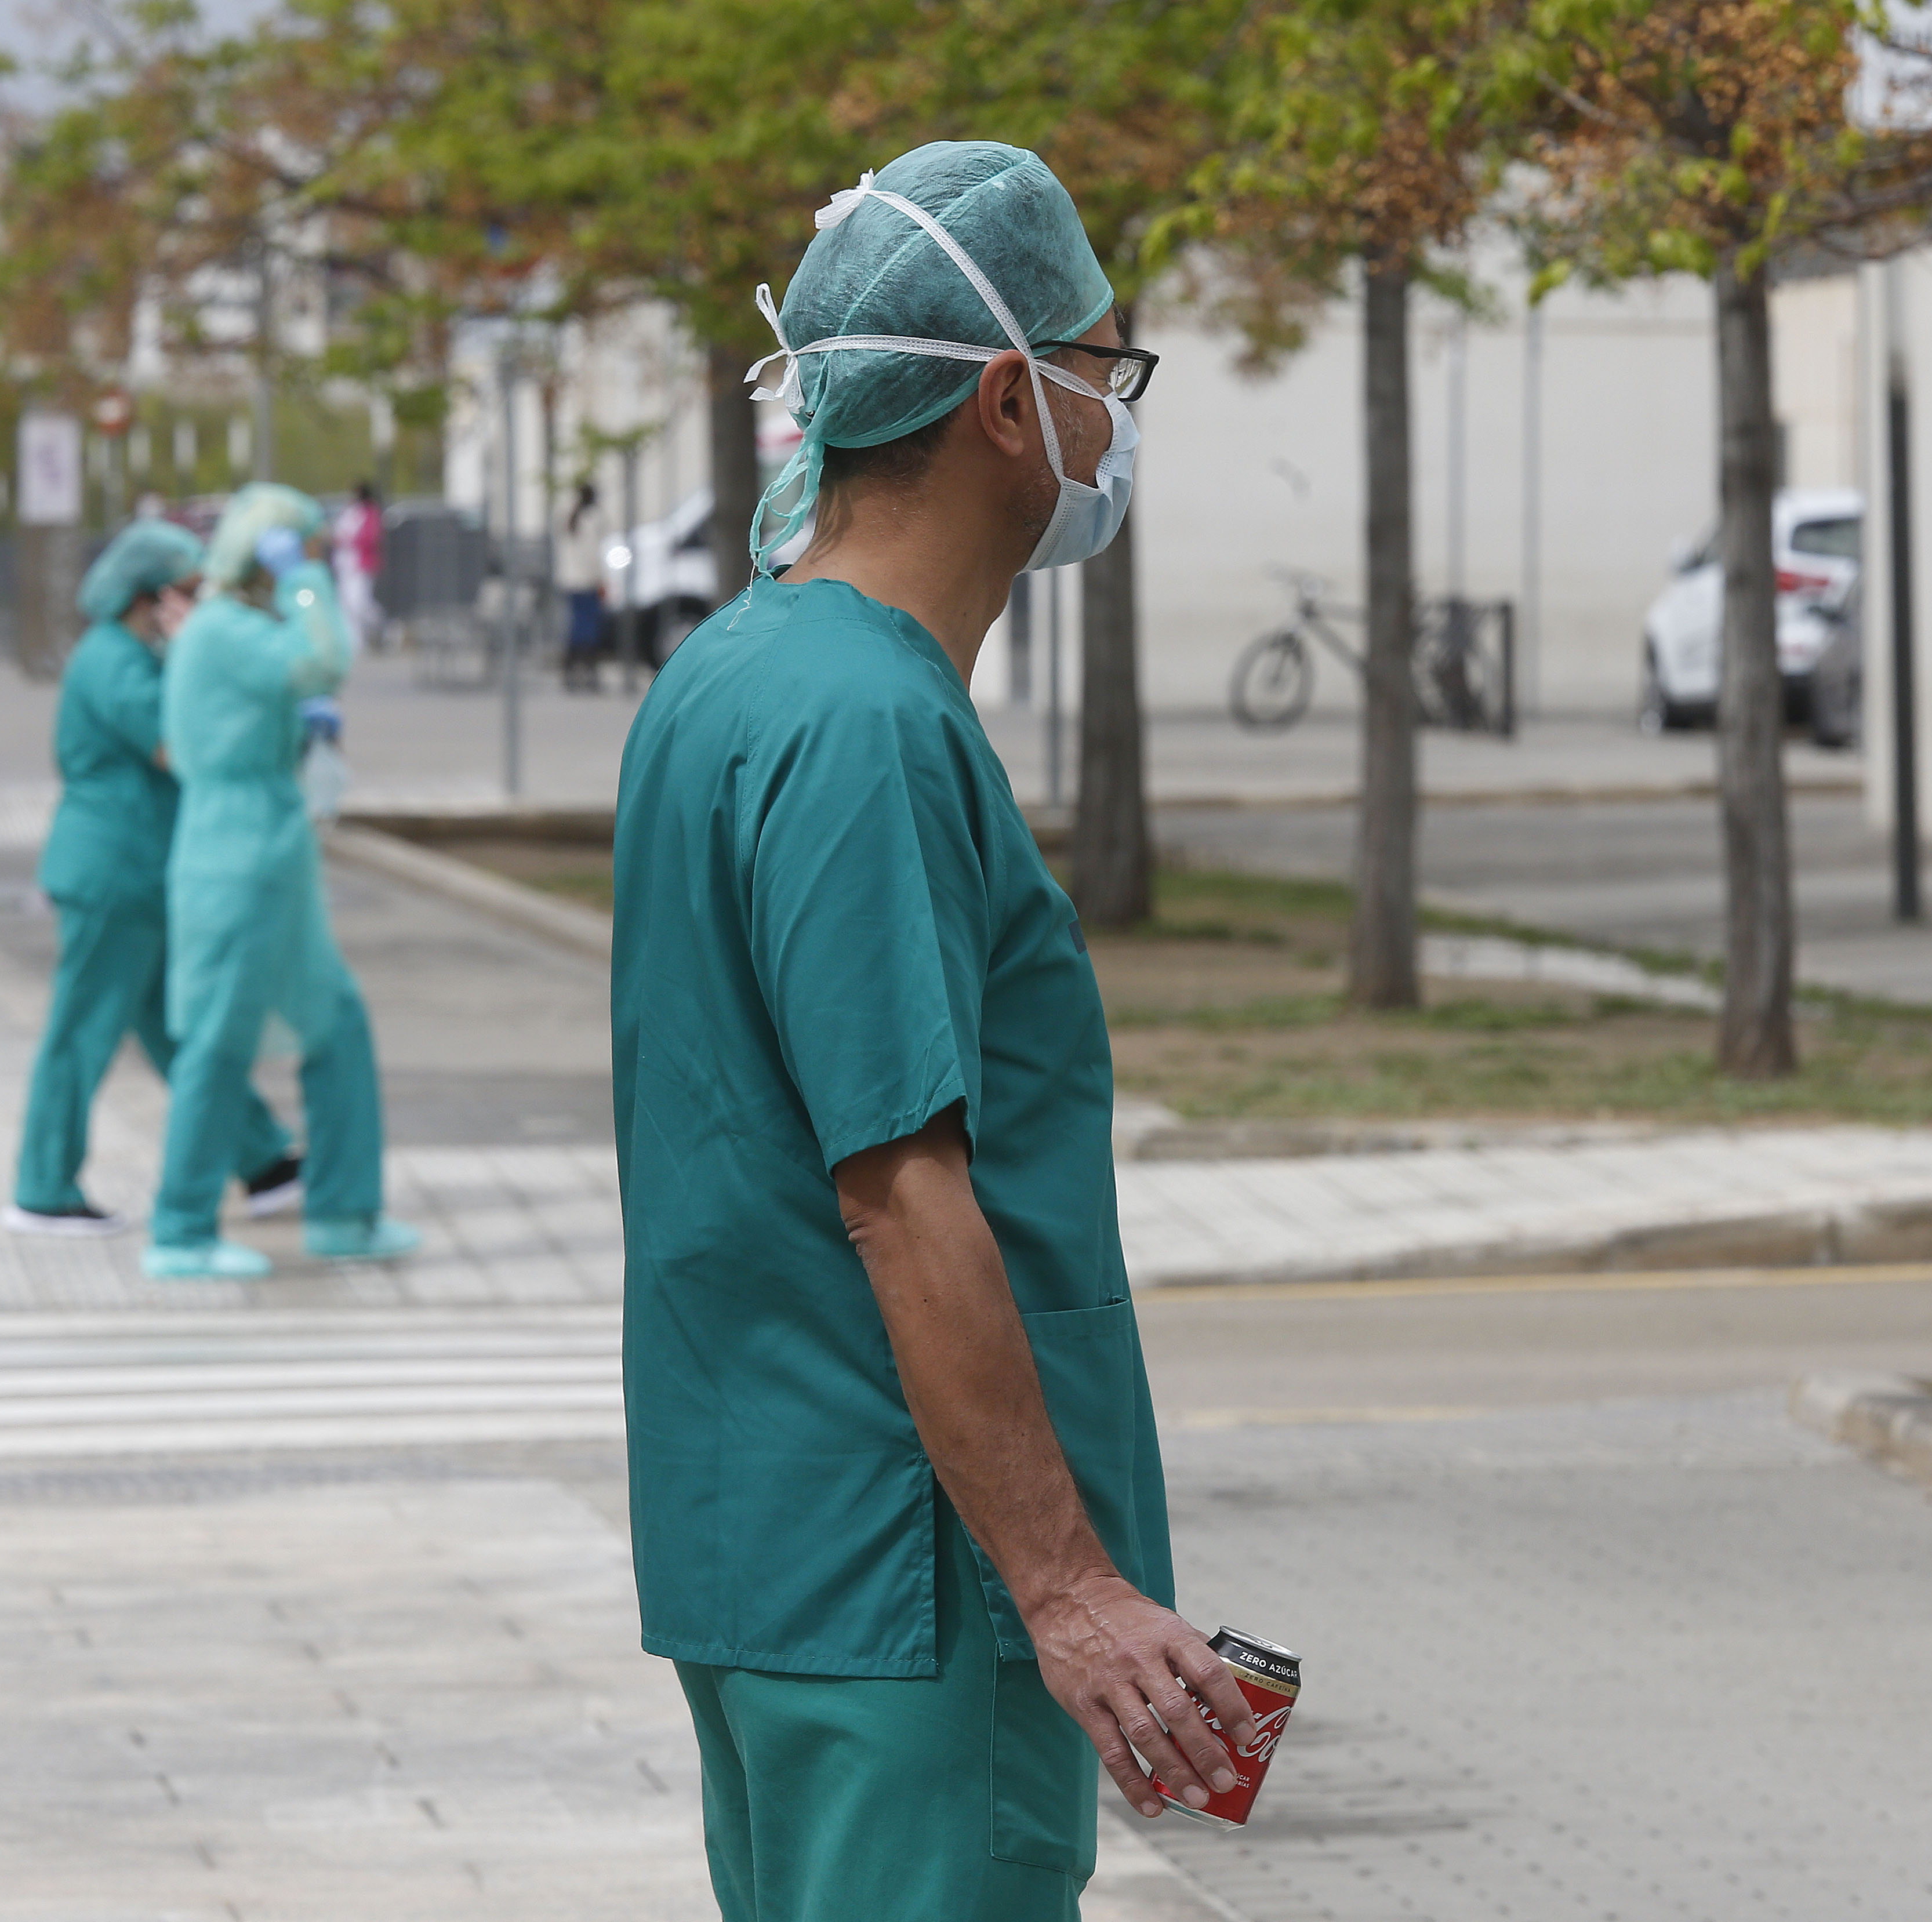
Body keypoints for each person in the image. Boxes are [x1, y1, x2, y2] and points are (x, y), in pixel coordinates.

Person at [611, 141, 1217, 1922]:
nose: (1118, 411)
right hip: (910, 1582)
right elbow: (901, 1187)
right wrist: (1065, 1588)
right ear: (1009, 409)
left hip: (774, 1541)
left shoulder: (731, 674)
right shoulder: (865, 723)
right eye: (1104, 365)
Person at [147, 484, 420, 1280]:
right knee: (220, 1038)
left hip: (264, 842)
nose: (309, 564)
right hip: (241, 853)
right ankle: (182, 1227)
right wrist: (308, 581)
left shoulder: (228, 629)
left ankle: (342, 1210)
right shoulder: (229, 629)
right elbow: (323, 657)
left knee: (335, 1023)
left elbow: (288, 682)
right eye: (300, 547)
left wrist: (300, 728)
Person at [5, 518, 302, 1237]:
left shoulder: (136, 656)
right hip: (114, 875)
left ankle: (264, 1161)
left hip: (139, 875)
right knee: (82, 1033)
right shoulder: (114, 662)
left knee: (183, 1030)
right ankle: (42, 1188)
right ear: (152, 594)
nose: (199, 605)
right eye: (191, 591)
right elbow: (182, 747)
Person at [555, 481, 608, 692]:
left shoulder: (569, 516)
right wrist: (600, 579)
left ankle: (571, 670)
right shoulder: (592, 520)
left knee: (577, 625)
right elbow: (592, 555)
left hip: (570, 581)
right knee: (589, 627)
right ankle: (588, 671)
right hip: (586, 581)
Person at [332, 480, 383, 653]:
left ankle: (383, 627)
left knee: (360, 603)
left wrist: (348, 539)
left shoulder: (369, 513)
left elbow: (370, 538)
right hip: (345, 564)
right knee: (347, 604)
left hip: (361, 564)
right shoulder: (348, 512)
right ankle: (355, 641)